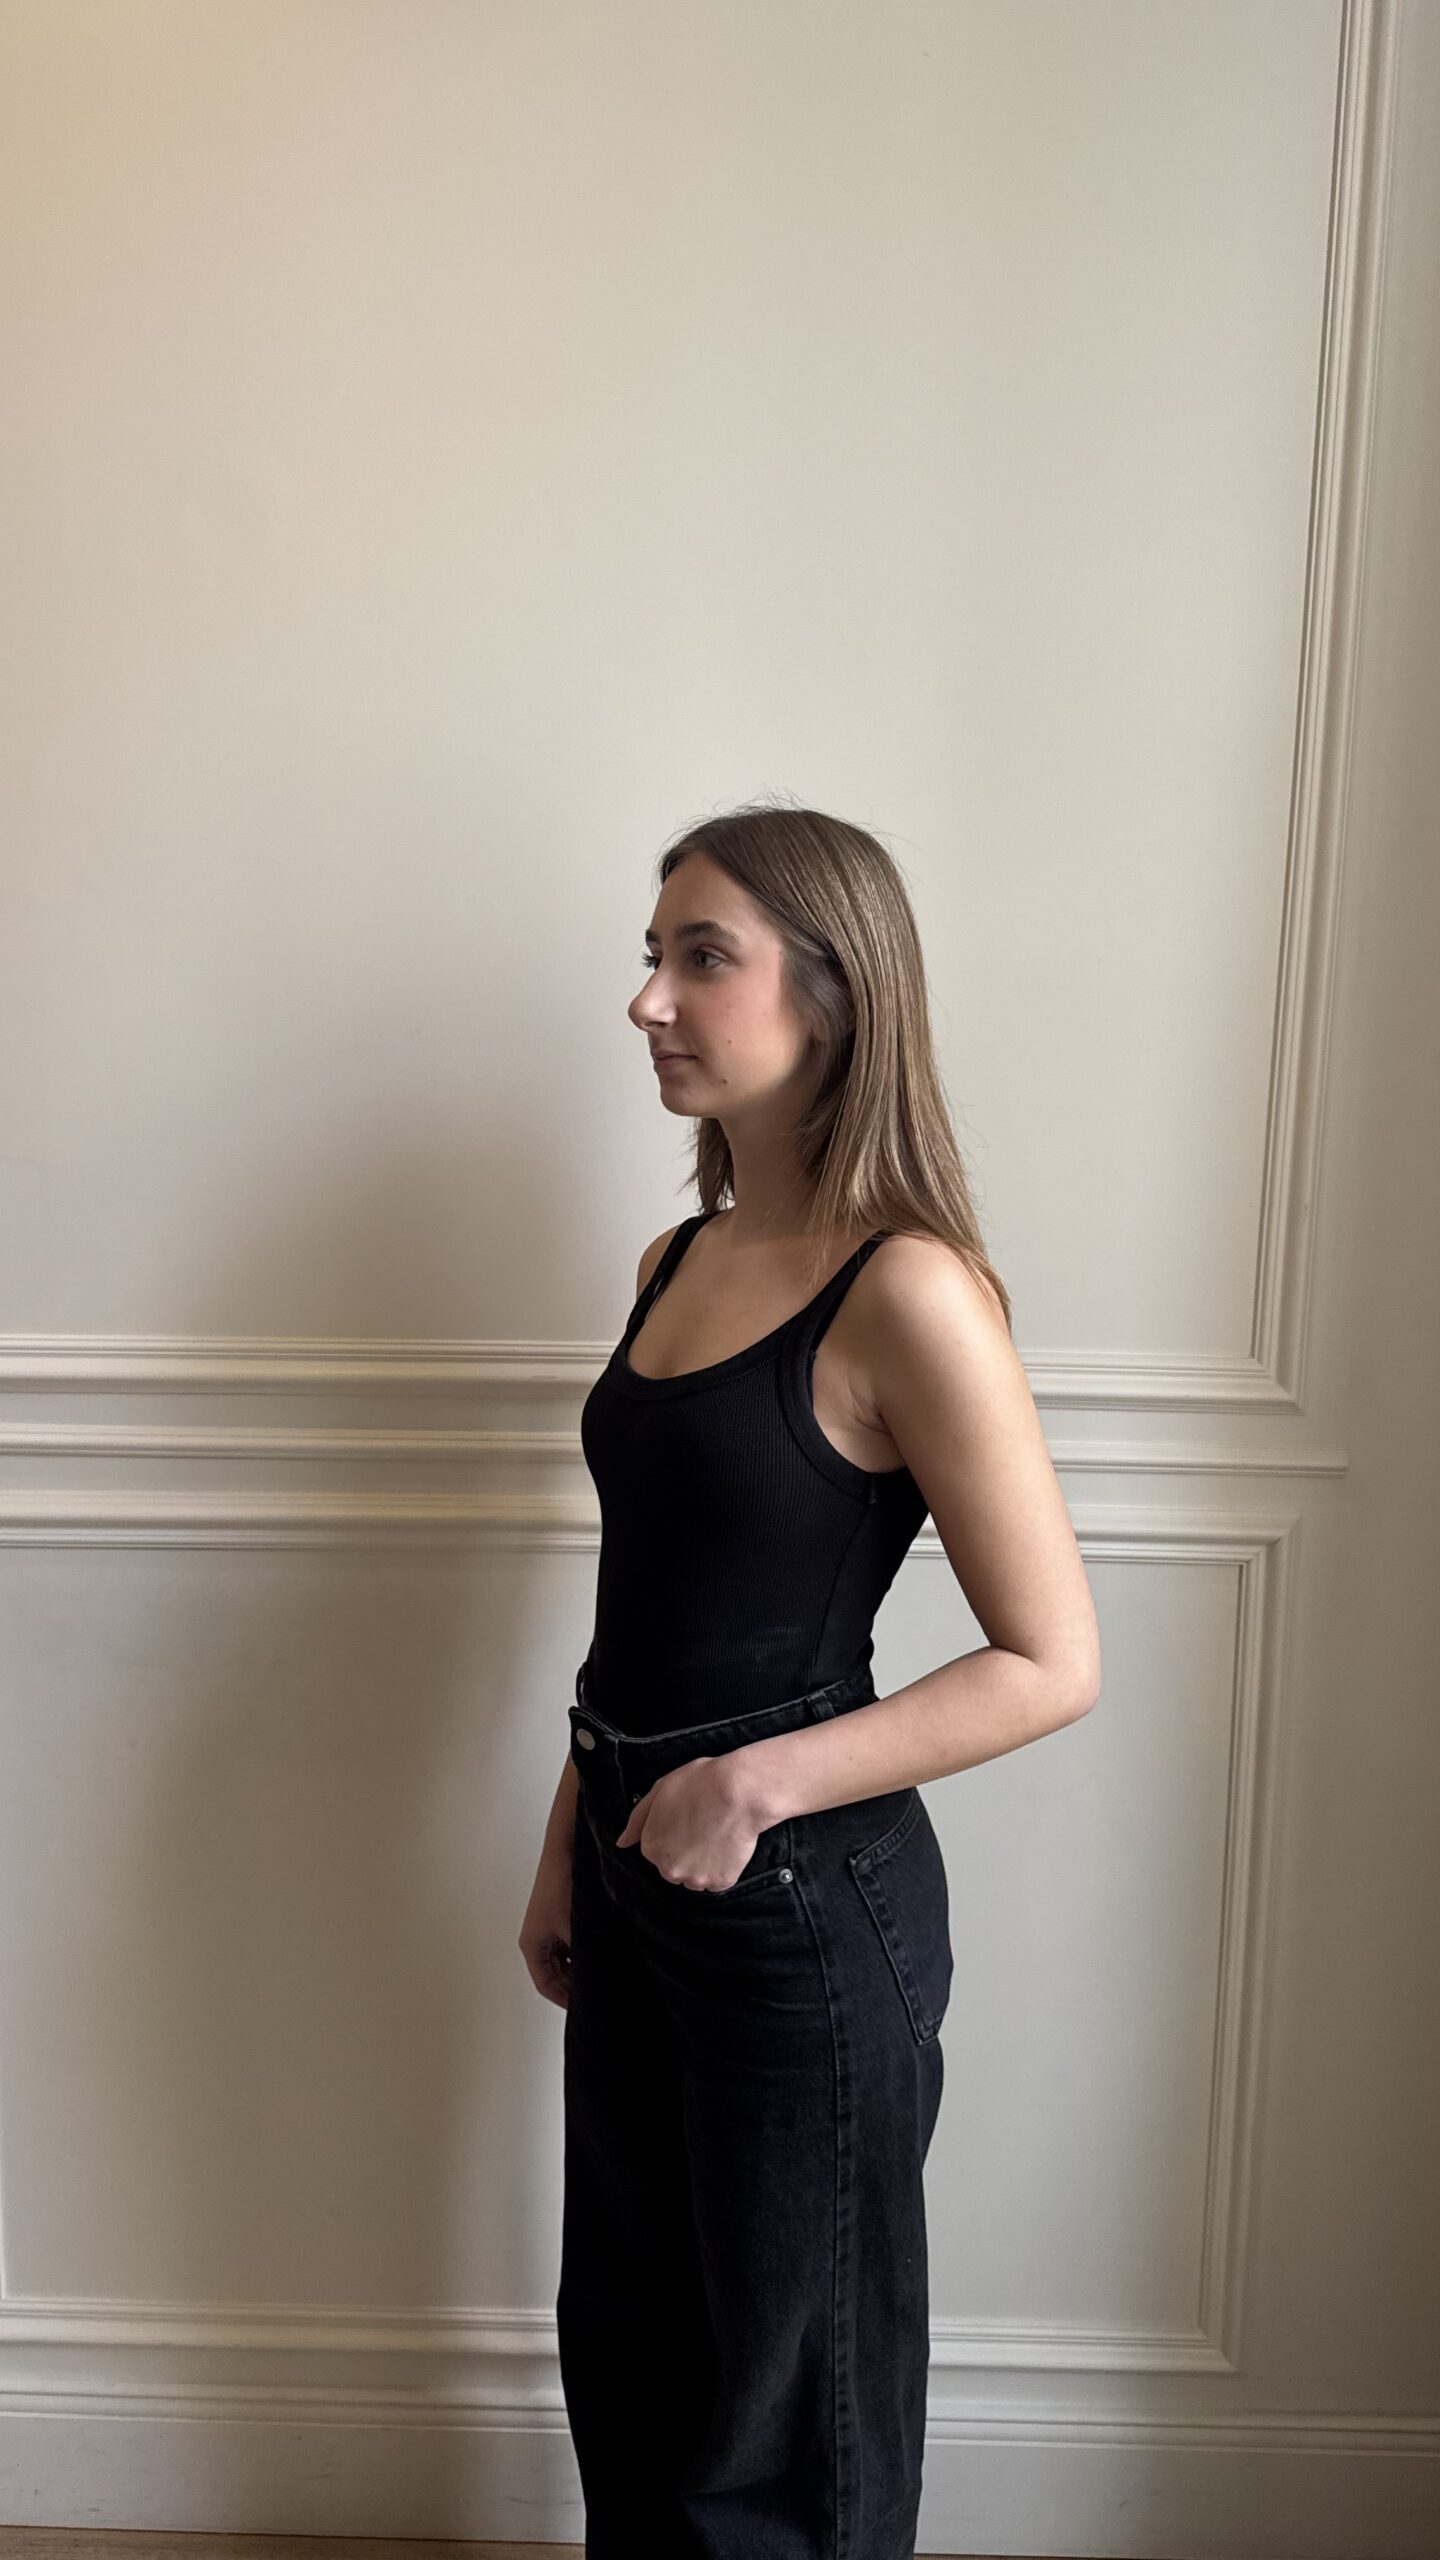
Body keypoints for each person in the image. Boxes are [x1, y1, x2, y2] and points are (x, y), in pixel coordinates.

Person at [519, 802, 1101, 2559]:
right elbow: (649, 1604)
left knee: (791, 2423)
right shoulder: (675, 1263)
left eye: (704, 958)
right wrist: (570, 1837)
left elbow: (1051, 1661)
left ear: (836, 996)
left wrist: (752, 1784)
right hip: (637, 1854)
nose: (650, 1001)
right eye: (653, 956)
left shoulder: (911, 1292)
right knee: (635, 2359)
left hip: (795, 1903)